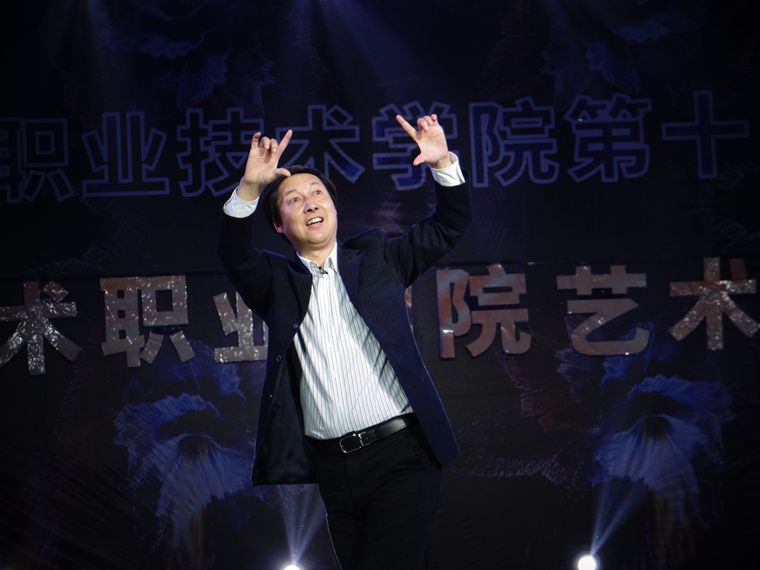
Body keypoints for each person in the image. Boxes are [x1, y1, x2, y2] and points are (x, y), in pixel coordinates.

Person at [218, 113, 470, 570]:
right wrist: (250, 188)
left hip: (403, 455)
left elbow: (449, 227)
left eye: (317, 193)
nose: (310, 203)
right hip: (334, 469)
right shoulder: (276, 283)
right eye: (294, 199)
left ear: (333, 207)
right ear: (279, 224)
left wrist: (442, 164)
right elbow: (233, 254)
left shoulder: (378, 257)